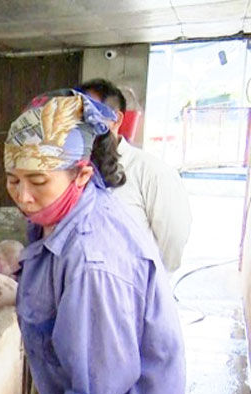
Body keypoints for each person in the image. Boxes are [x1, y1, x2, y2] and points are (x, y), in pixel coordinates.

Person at [6, 89, 185, 394]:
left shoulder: (93, 257)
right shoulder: (63, 213)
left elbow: (104, 380)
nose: (23, 196)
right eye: (13, 179)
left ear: (82, 173)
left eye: (38, 181)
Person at [79, 78, 192, 272]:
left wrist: (146, 285)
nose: (82, 123)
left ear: (117, 119)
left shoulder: (152, 172)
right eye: (78, 115)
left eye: (91, 114)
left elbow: (172, 242)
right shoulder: (69, 170)